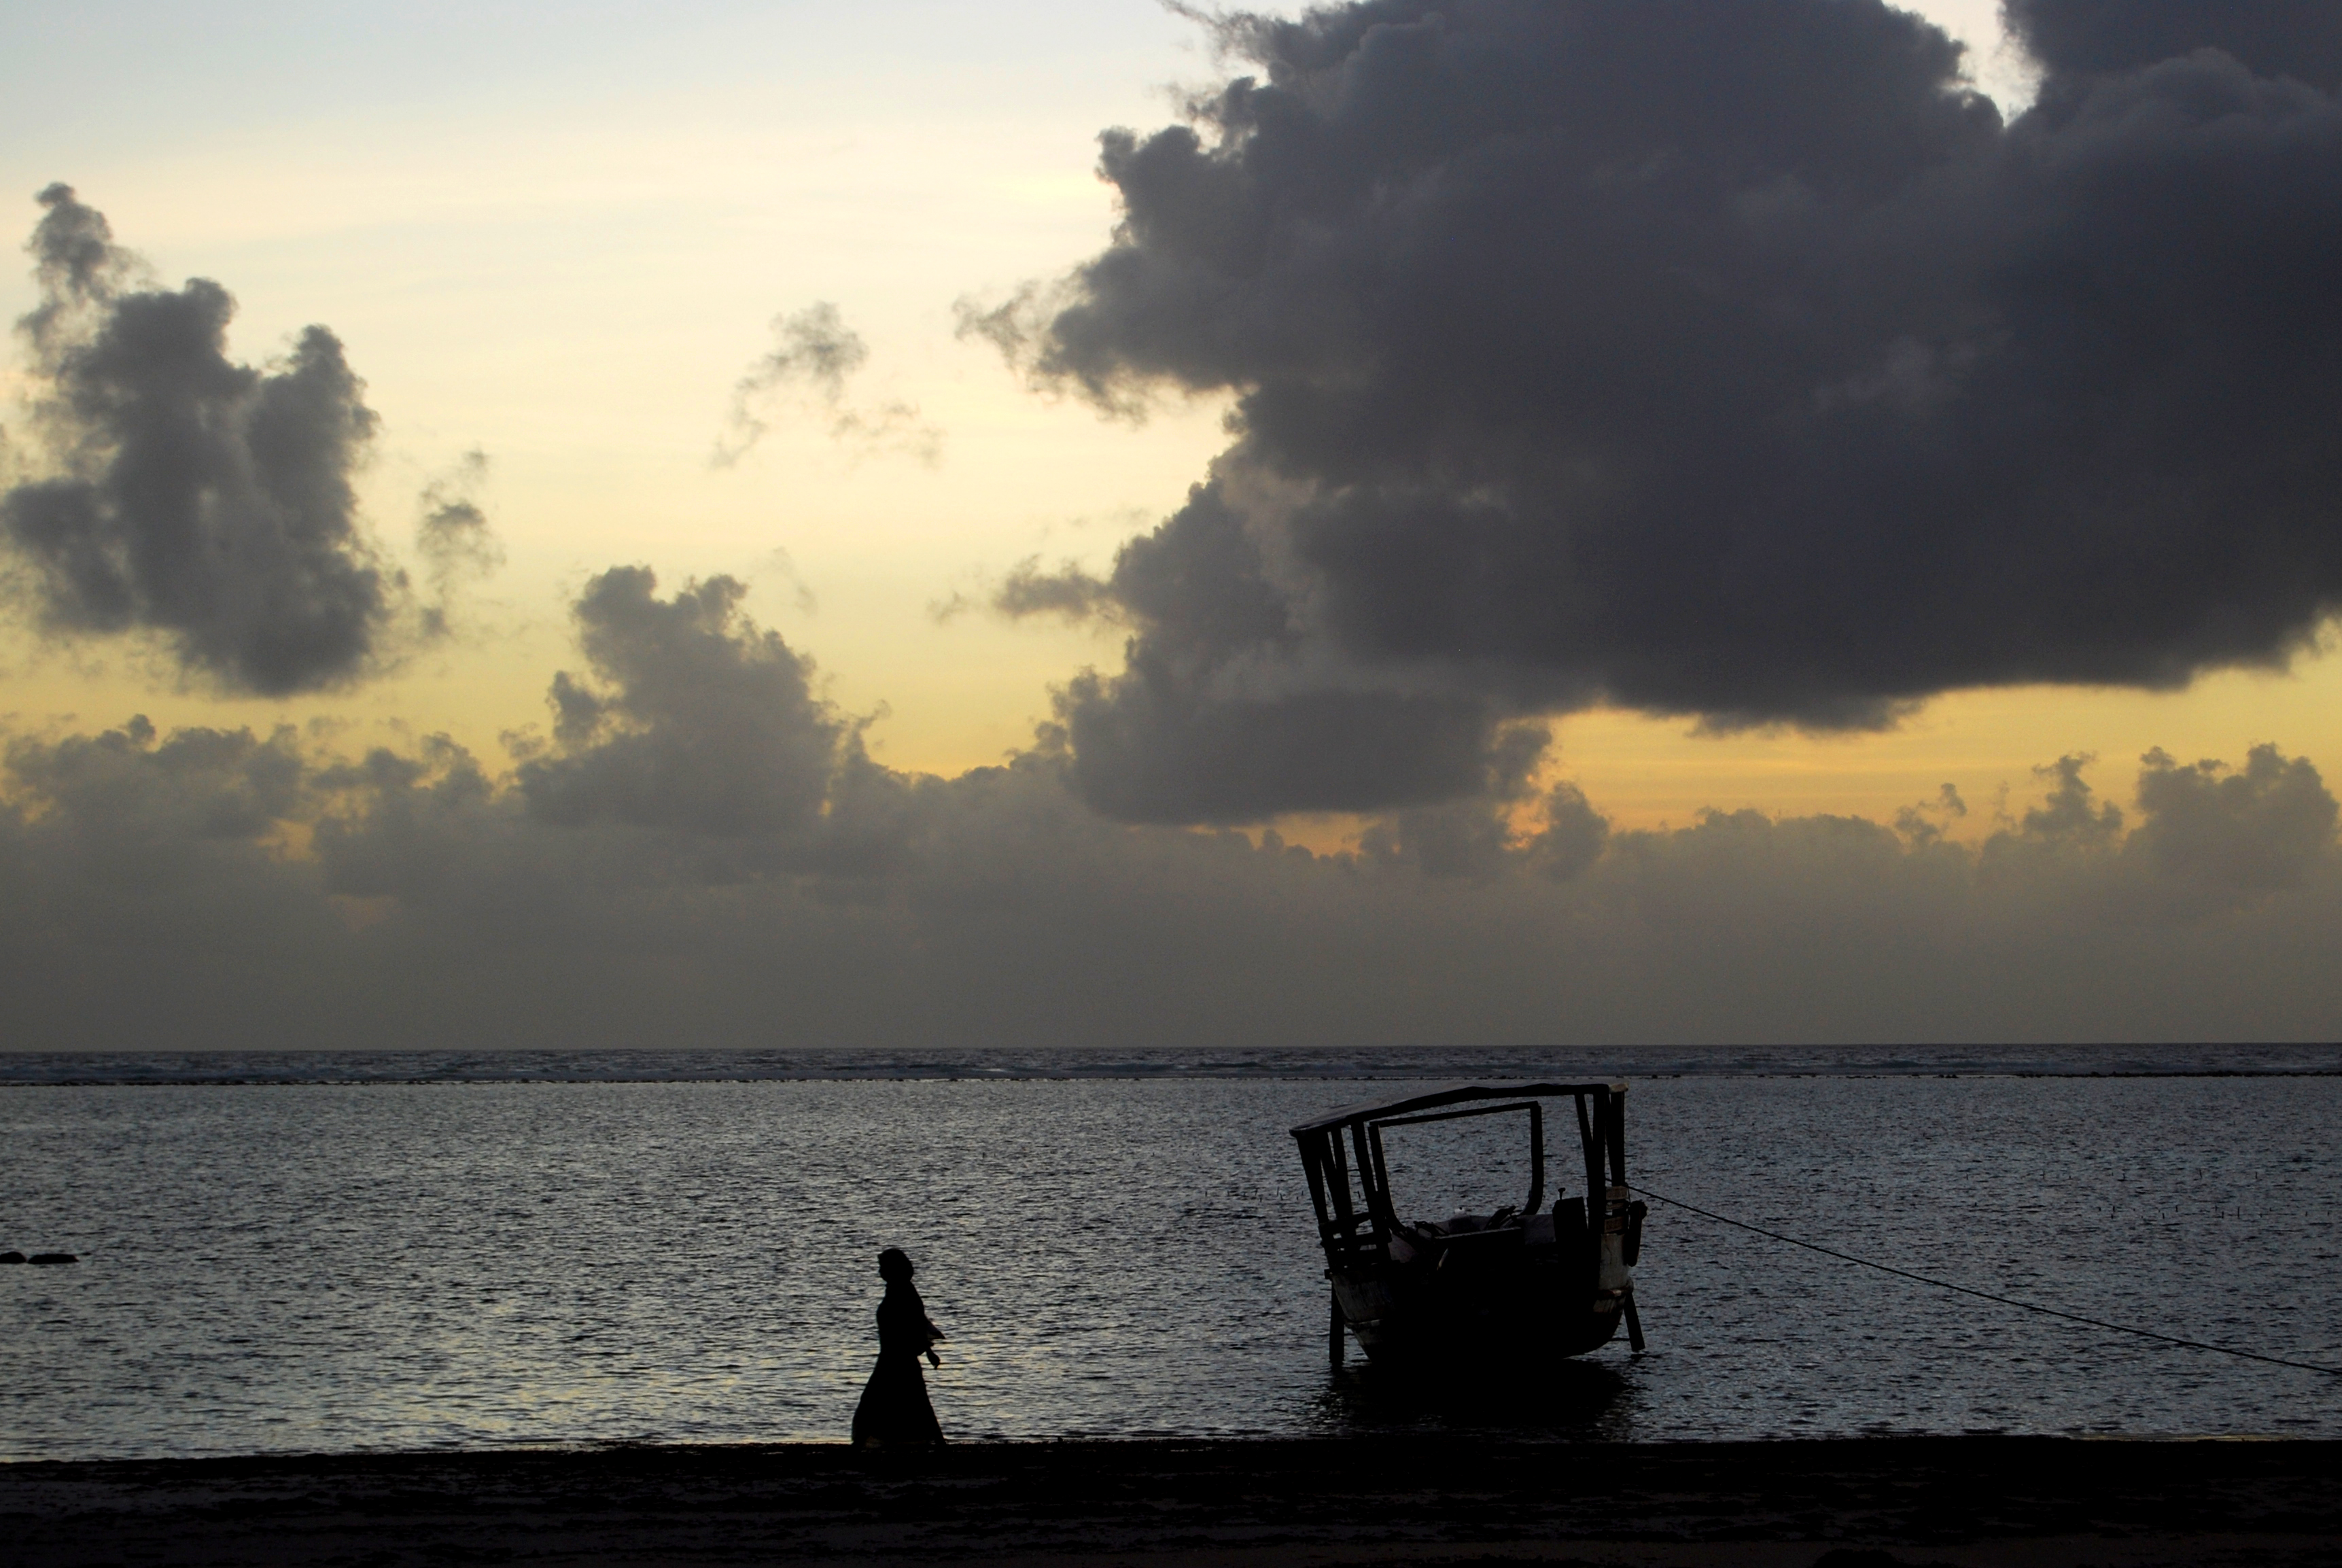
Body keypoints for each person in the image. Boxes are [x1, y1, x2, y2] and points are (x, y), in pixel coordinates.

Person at [850, 1247, 945, 1446]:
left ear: (893, 1268)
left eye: (883, 1267)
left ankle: (859, 1444)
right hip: (891, 1355)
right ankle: (938, 1443)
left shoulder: (904, 1291)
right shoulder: (896, 1289)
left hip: (898, 1357)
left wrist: (928, 1350)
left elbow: (916, 1321)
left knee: (880, 1400)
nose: (880, 1272)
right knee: (905, 1401)